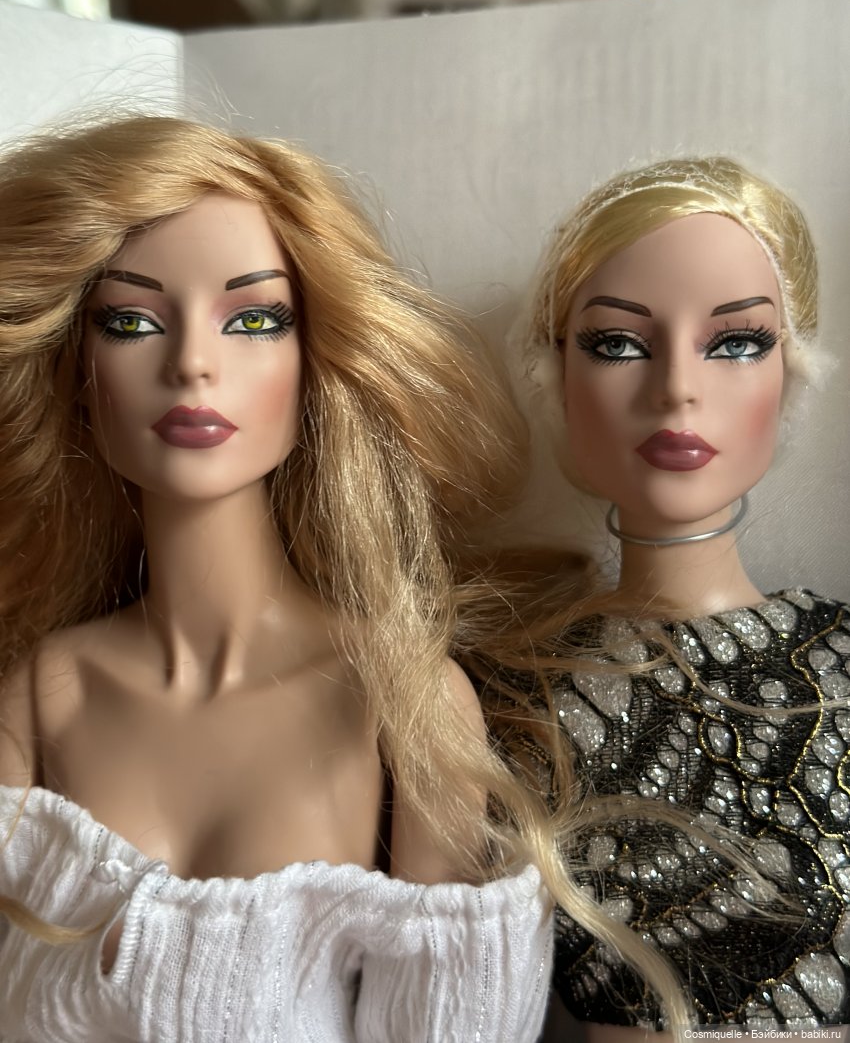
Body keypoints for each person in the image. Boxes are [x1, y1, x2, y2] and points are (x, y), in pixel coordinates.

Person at [0, 114, 553, 1043]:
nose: (192, 363)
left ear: (315, 358)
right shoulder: (43, 694)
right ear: (76, 372)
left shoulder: (399, 697)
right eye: (131, 322)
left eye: (254, 320)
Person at [473, 157, 849, 1038]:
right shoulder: (511, 698)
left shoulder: (838, 664)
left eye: (737, 341)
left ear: (793, 370)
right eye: (618, 343)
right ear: (552, 372)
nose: (677, 386)